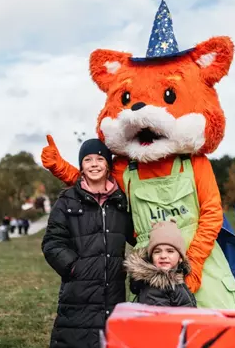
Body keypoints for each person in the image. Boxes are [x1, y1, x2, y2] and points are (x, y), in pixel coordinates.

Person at [42, 138, 136, 348]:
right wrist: (74, 268)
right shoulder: (67, 201)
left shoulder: (120, 202)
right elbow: (52, 243)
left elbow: (137, 236)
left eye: (100, 159)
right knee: (75, 339)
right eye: (88, 160)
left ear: (108, 165)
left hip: (113, 292)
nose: (94, 164)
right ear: (82, 166)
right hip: (78, 292)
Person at [124, 219, 196, 308]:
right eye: (157, 252)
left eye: (170, 251)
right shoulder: (155, 289)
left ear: (180, 257)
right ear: (151, 257)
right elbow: (159, 321)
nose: (163, 256)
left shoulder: (176, 279)